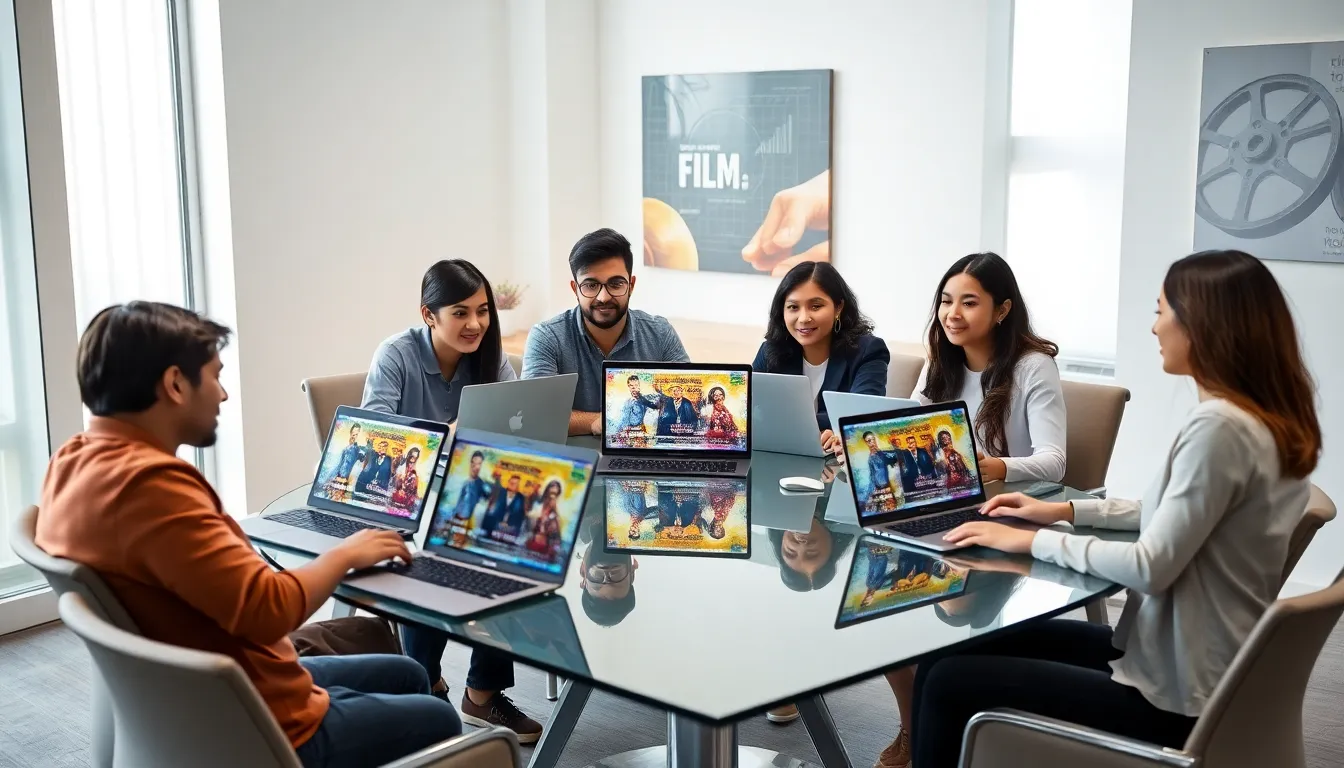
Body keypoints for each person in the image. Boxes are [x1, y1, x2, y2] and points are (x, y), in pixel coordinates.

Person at [903, 250, 1322, 768]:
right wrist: (1063, 514)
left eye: (1162, 311)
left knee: (945, 680)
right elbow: (1162, 512)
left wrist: (1029, 540)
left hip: (1171, 694)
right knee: (949, 653)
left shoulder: (1220, 430)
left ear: (1206, 325)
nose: (1154, 328)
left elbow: (1151, 567)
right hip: (1184, 663)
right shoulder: (1256, 422)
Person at [36, 301, 462, 768]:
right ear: (175, 384)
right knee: (441, 721)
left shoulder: (72, 459)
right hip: (259, 719)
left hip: (193, 691)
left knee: (405, 671)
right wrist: (345, 555)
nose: (222, 395)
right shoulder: (152, 487)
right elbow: (268, 610)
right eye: (214, 376)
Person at [359, 259, 543, 744]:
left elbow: (513, 424)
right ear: (429, 314)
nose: (476, 324)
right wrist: (445, 437)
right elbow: (376, 434)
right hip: (400, 499)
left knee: (515, 549)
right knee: (433, 557)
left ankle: (481, 695)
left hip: (465, 497)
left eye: (482, 311)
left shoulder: (489, 357)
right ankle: (425, 685)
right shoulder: (395, 355)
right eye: (460, 313)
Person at [913, 252, 1066, 484]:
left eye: (969, 303)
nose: (952, 314)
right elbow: (908, 424)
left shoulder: (1034, 366)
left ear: (1002, 311)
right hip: (954, 496)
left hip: (1012, 503)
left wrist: (998, 467)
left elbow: (1054, 462)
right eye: (946, 301)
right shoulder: (939, 362)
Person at [522, 228, 690, 436]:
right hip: (575, 458)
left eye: (615, 284)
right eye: (591, 285)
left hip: (641, 453)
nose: (603, 297)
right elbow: (535, 415)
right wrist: (596, 422)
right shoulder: (547, 337)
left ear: (631, 285)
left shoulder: (660, 333)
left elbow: (686, 401)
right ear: (575, 289)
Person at [751, 261, 890, 456]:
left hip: (838, 469)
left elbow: (862, 418)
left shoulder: (868, 351)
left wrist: (835, 431)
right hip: (780, 459)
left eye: (816, 306)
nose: (804, 318)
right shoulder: (771, 350)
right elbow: (745, 407)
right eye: (793, 307)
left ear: (838, 307)